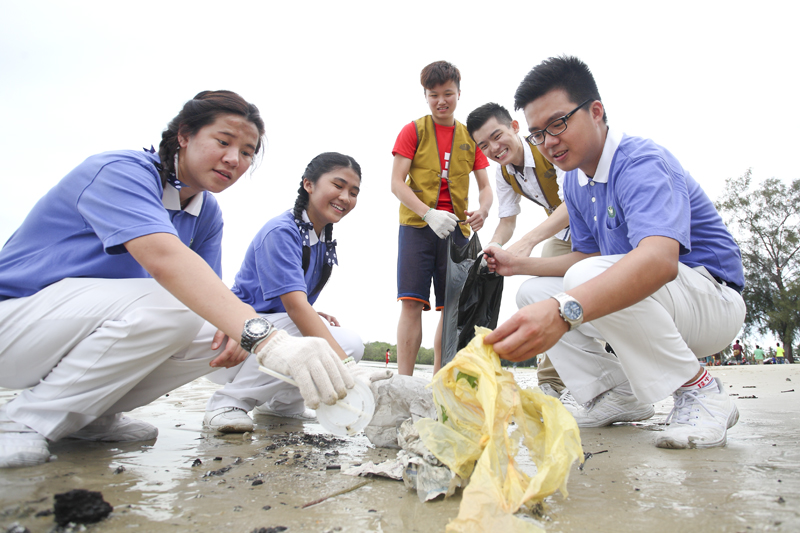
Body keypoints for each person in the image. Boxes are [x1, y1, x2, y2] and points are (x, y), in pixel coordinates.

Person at [0, 92, 354, 469]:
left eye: (248, 152)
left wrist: (244, 331)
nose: (234, 159)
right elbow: (165, 262)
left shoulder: (206, 212)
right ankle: (23, 420)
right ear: (184, 135)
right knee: (180, 307)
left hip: (84, 328)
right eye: (223, 142)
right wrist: (268, 340)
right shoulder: (121, 171)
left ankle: (88, 415)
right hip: (18, 323)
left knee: (219, 328)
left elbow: (209, 297)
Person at [484, 56, 746, 448]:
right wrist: (521, 264)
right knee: (532, 293)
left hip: (712, 300)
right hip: (666, 304)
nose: (549, 141)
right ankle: (615, 394)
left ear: (596, 111)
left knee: (574, 288)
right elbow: (585, 259)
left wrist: (562, 311)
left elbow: (659, 261)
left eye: (558, 123)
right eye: (538, 133)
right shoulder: (575, 182)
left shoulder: (640, 162)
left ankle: (701, 392)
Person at [203, 153, 373, 432]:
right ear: (309, 184)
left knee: (341, 337)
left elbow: (293, 304)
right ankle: (228, 402)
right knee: (332, 340)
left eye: (353, 192)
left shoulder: (321, 240)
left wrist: (309, 312)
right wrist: (349, 369)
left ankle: (281, 405)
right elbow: (295, 308)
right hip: (231, 337)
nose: (346, 197)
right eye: (338, 185)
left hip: (265, 335)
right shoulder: (282, 231)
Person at [466, 102, 573, 403]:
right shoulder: (503, 172)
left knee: (577, 288)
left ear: (515, 126)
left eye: (497, 136)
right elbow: (507, 221)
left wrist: (525, 245)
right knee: (543, 294)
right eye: (484, 145)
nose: (494, 148)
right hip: (563, 231)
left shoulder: (548, 150)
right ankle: (552, 383)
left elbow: (572, 205)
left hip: (588, 222)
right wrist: (494, 247)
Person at [391, 60, 492, 376]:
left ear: (459, 94)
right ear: (425, 96)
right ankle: (404, 382)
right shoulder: (413, 131)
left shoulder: (470, 136)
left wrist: (484, 210)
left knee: (451, 310)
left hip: (457, 233)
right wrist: (427, 212)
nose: (441, 101)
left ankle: (441, 378)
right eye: (433, 95)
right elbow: (396, 183)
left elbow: (486, 187)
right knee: (411, 303)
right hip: (417, 227)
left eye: (447, 93)